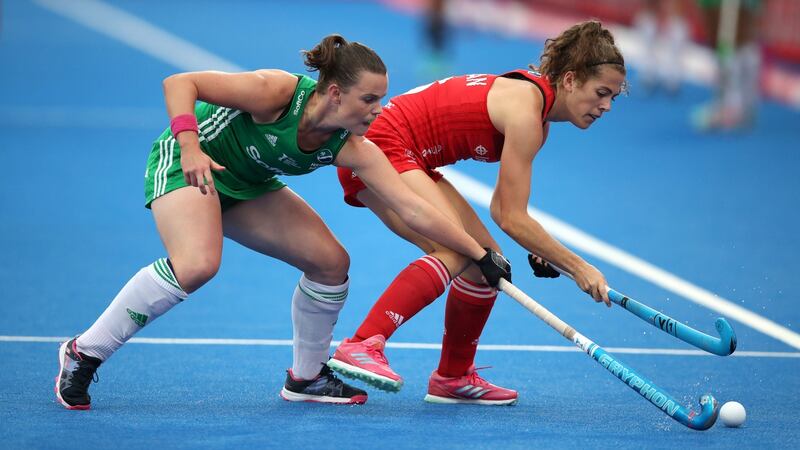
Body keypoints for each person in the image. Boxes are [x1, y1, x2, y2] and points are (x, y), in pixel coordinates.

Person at [54, 34, 511, 410]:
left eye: (382, 99)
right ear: (335, 93)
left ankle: (307, 377)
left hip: (247, 183)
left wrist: (478, 254)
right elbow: (180, 82)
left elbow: (415, 209)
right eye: (369, 99)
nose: (378, 110)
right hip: (187, 163)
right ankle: (85, 351)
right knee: (197, 265)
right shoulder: (275, 92)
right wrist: (190, 145)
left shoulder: (353, 147)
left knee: (331, 262)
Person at [327, 20, 625, 405]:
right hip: (380, 146)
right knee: (459, 249)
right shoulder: (527, 110)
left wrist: (543, 250)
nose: (606, 106)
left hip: (408, 155)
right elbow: (510, 216)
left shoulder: (536, 108)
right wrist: (578, 267)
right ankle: (364, 342)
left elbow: (508, 210)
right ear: (570, 79)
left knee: (487, 266)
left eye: (613, 98)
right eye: (601, 93)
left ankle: (452, 377)